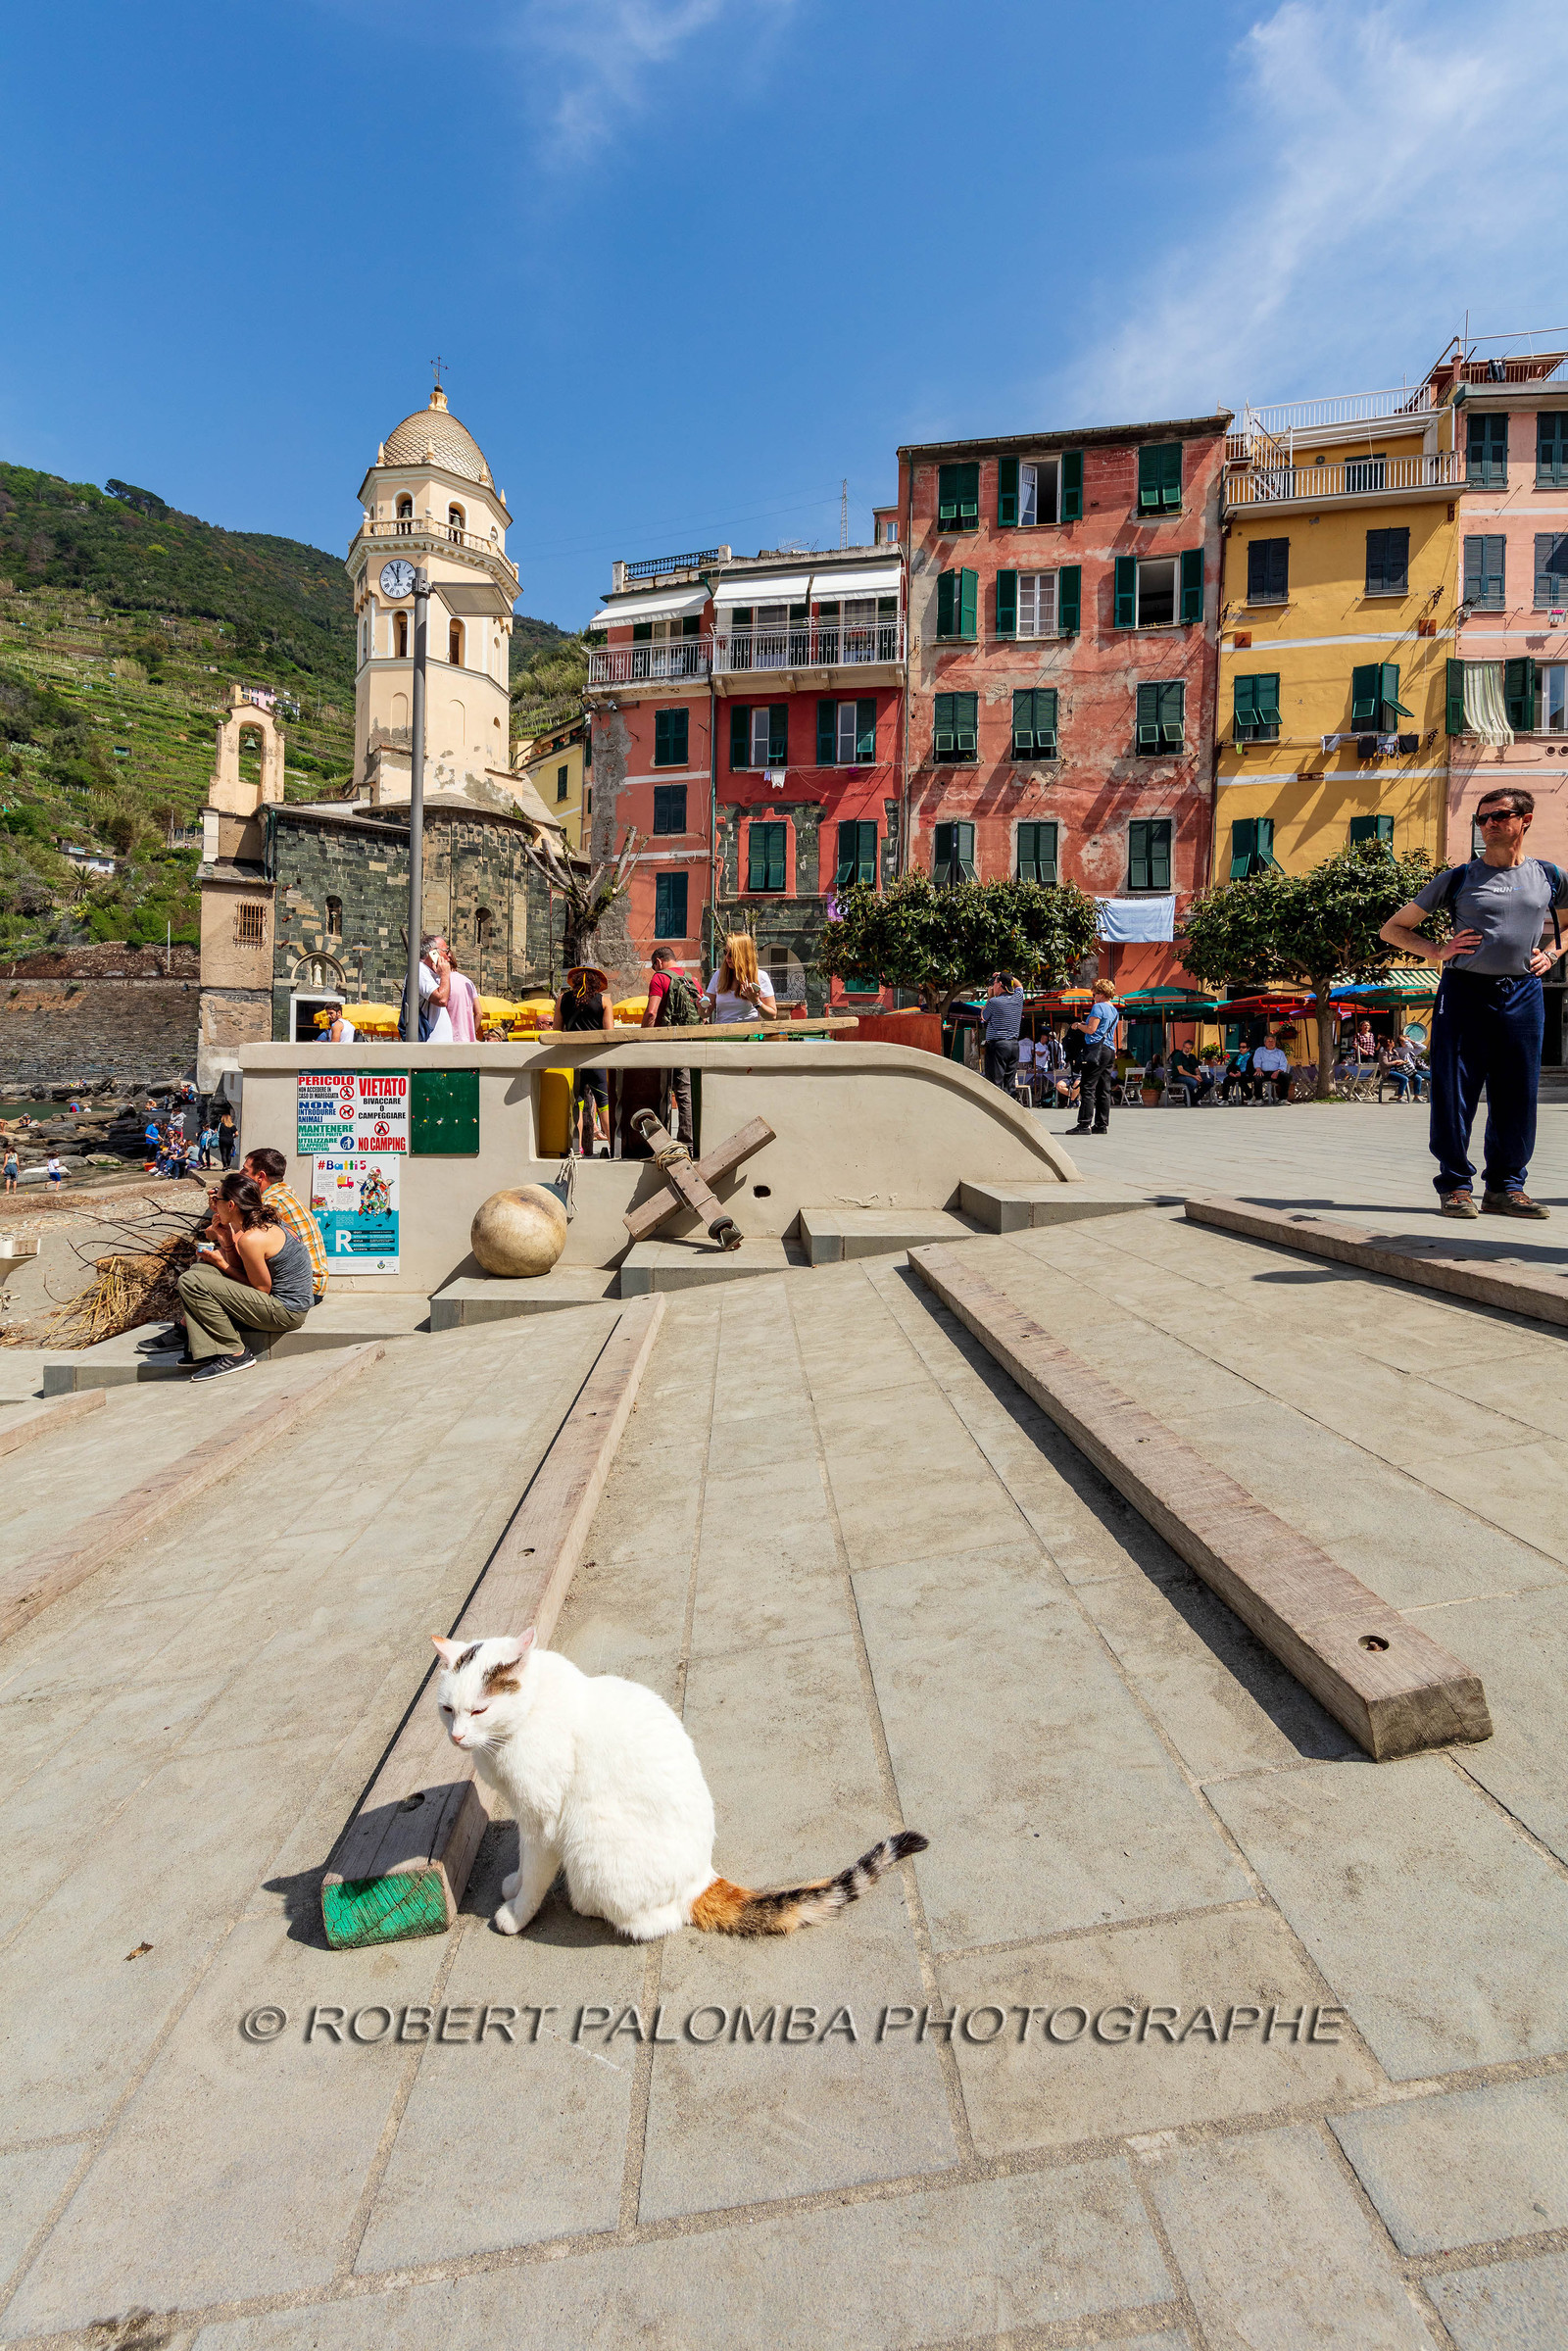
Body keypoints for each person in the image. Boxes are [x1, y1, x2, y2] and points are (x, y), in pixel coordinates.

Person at [1380, 785, 1568, 1217]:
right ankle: (1455, 1186)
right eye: (1482, 818)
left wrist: (1554, 952)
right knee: (1455, 1091)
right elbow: (1393, 929)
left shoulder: (1549, 876)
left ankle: (1505, 1187)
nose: (1488, 825)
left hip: (1524, 992)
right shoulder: (1459, 877)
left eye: (1498, 816)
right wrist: (1437, 950)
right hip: (1465, 991)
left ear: (1525, 820)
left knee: (1518, 1091)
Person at [172, 1174, 316, 1380]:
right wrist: (227, 1240)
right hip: (282, 1303)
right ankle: (208, 1348)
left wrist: (222, 1263)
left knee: (190, 1281)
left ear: (231, 1205)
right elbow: (244, 1271)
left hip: (286, 1312)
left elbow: (262, 1289)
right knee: (200, 1271)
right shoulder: (264, 1223)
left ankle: (235, 1353)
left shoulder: (252, 1238)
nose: (214, 1205)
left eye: (217, 1200)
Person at [242, 1147, 329, 1302]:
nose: (240, 1174)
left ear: (260, 1176)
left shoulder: (269, 1203)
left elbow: (246, 1243)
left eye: (245, 1170)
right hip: (314, 1283)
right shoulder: (283, 1191)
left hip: (303, 1290)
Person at [642, 946, 697, 1149]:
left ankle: (660, 1141)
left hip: (664, 1041)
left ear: (658, 961)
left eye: (653, 965)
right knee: (684, 1093)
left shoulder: (659, 978)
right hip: (687, 1040)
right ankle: (687, 1141)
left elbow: (651, 1012)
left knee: (658, 1090)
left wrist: (644, 1037)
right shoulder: (691, 979)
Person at [558, 961, 613, 1154]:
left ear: (575, 979)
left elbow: (556, 1030)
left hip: (573, 1060)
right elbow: (609, 1034)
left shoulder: (562, 999)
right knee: (604, 1103)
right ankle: (615, 1147)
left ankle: (577, 1148)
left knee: (578, 1104)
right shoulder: (604, 1001)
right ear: (596, 981)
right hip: (596, 1059)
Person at [1069, 980, 1120, 1134]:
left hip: (1096, 1049)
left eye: (1095, 994)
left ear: (1102, 994)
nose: (1094, 997)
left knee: (1088, 1086)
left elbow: (1091, 1030)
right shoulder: (1114, 1010)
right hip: (1109, 1049)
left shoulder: (1098, 1007)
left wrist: (1078, 1026)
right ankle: (1101, 1124)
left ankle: (1084, 1124)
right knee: (1104, 1088)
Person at [706, 934, 777, 1025]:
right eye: (725, 952)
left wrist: (755, 1001)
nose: (727, 957)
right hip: (721, 1031)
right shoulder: (718, 975)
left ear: (744, 955)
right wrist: (701, 1008)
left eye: (732, 954)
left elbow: (772, 1016)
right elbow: (706, 1013)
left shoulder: (760, 976)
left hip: (748, 1031)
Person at [981, 971, 1024, 1093]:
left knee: (995, 1084)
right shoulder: (1018, 998)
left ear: (999, 984)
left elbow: (984, 1016)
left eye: (994, 983)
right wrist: (1007, 976)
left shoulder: (994, 1002)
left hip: (998, 1045)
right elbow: (1020, 986)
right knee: (1009, 1085)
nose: (992, 987)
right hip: (1014, 1046)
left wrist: (990, 997)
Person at [444, 954, 479, 1045]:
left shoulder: (441, 981)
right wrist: (471, 1033)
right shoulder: (468, 982)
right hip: (467, 1039)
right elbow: (479, 1013)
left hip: (447, 1038)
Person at [1251, 1034, 1291, 1102]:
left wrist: (1278, 1071)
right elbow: (1256, 1060)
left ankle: (1283, 1099)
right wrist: (1258, 1069)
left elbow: (1283, 1064)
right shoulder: (1260, 1050)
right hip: (1263, 1072)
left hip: (1276, 1072)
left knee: (1286, 1077)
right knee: (1257, 1077)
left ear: (1275, 1043)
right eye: (1269, 1041)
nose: (1271, 1043)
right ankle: (1259, 1099)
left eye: (1272, 1041)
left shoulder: (1280, 1052)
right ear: (1265, 1043)